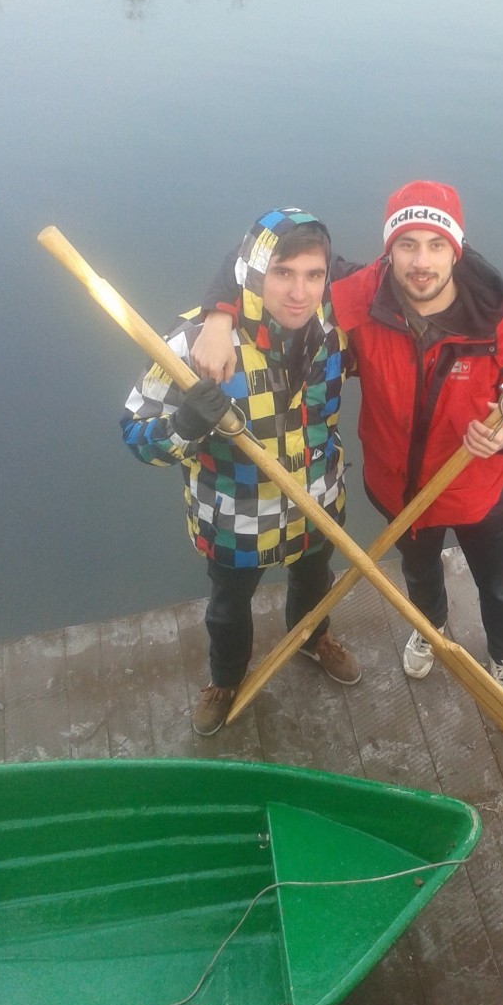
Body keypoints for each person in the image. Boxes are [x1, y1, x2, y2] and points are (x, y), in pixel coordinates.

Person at [195, 182, 503, 704]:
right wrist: (218, 314)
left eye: (436, 245)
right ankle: (430, 630)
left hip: (480, 491)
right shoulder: (362, 293)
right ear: (389, 250)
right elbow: (261, 252)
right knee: (419, 570)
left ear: (457, 248)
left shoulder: (502, 320)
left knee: (497, 583)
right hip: (401, 488)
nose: (421, 262)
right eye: (407, 244)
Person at [121, 208, 361, 736]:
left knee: (315, 582)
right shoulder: (192, 344)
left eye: (313, 275)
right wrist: (185, 423)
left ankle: (312, 638)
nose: (299, 292)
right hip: (233, 520)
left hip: (316, 502)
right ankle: (226, 678)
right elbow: (137, 437)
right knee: (228, 607)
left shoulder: (337, 329)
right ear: (252, 273)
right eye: (282, 273)